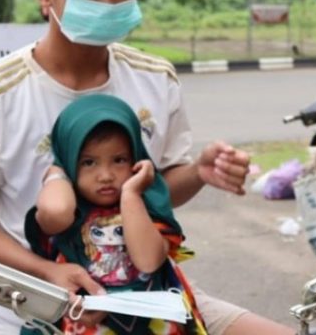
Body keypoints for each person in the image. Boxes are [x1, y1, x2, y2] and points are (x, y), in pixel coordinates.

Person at [0, 0, 292, 335]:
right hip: (32, 317)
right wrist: (47, 271)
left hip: (152, 304)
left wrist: (199, 171)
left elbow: (155, 190)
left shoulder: (155, 78)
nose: (109, 4)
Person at [25, 94, 206, 334]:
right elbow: (54, 212)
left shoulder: (148, 202)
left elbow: (149, 260)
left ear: (136, 157)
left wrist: (131, 194)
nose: (105, 175)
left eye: (119, 160)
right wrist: (57, 171)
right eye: (88, 162)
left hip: (152, 326)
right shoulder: (68, 206)